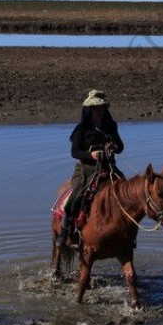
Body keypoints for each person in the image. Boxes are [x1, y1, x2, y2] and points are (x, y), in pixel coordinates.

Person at [58, 90, 125, 248]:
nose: (99, 111)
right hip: (86, 169)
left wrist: (113, 148)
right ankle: (65, 230)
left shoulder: (111, 126)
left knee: (126, 192)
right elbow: (75, 152)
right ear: (89, 110)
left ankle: (126, 234)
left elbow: (121, 147)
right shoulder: (81, 129)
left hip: (108, 168)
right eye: (95, 108)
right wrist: (91, 155)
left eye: (101, 107)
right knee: (78, 192)